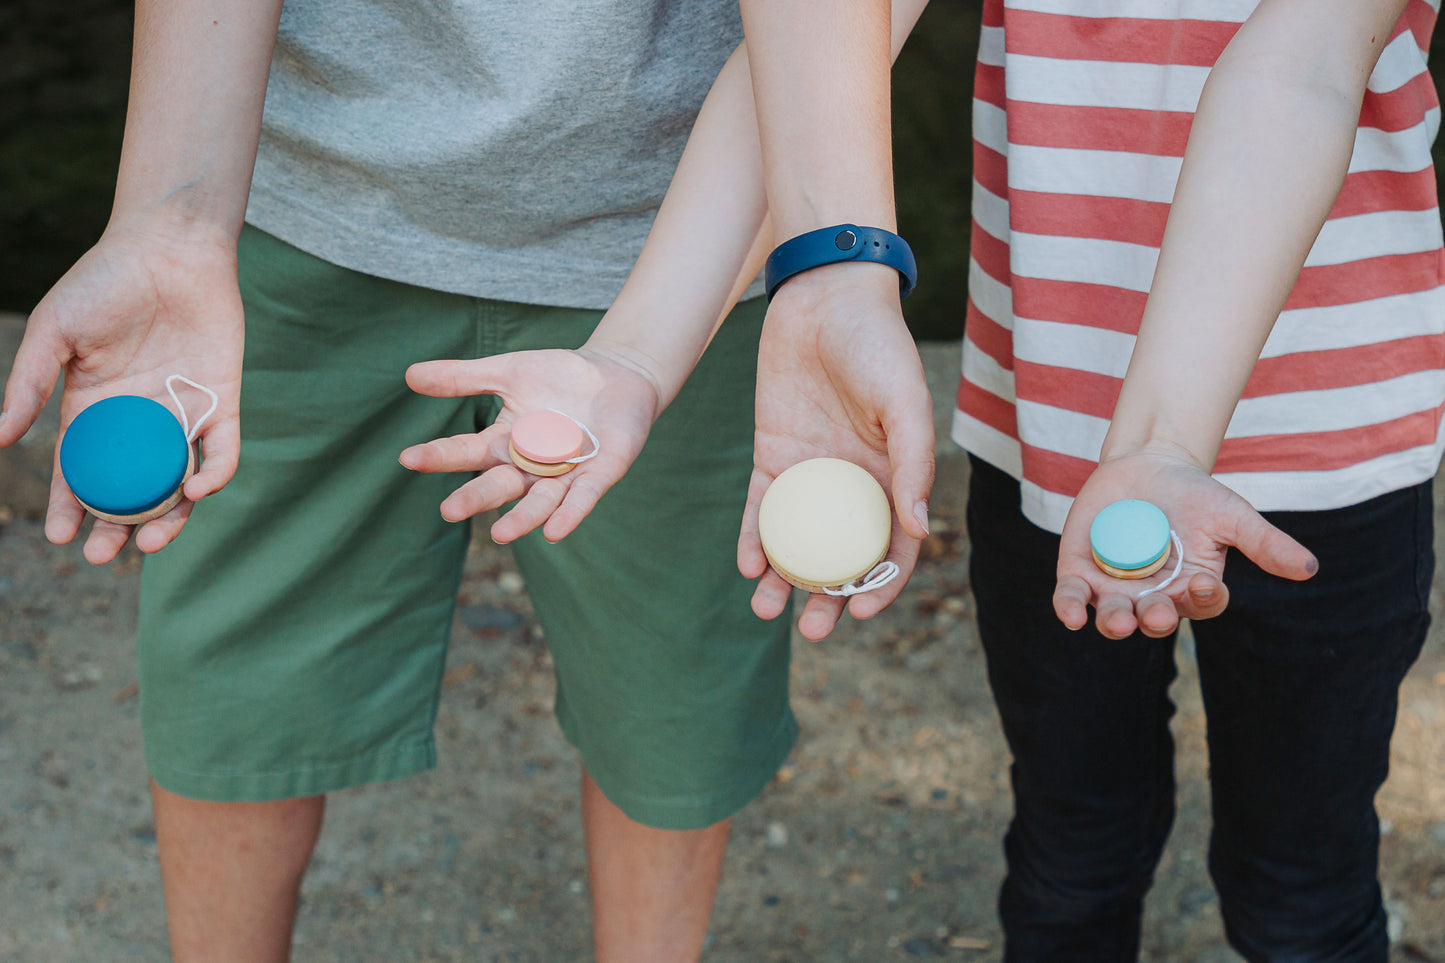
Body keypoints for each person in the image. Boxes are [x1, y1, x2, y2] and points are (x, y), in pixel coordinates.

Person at [0, 1, 924, 959]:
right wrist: (170, 219)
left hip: (702, 228)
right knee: (236, 673)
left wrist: (833, 268)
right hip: (295, 201)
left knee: (671, 693)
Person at [951, 0, 1442, 958]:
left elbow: (1304, 64)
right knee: (1067, 859)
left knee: (1306, 891)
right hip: (1052, 421)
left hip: (1336, 429)